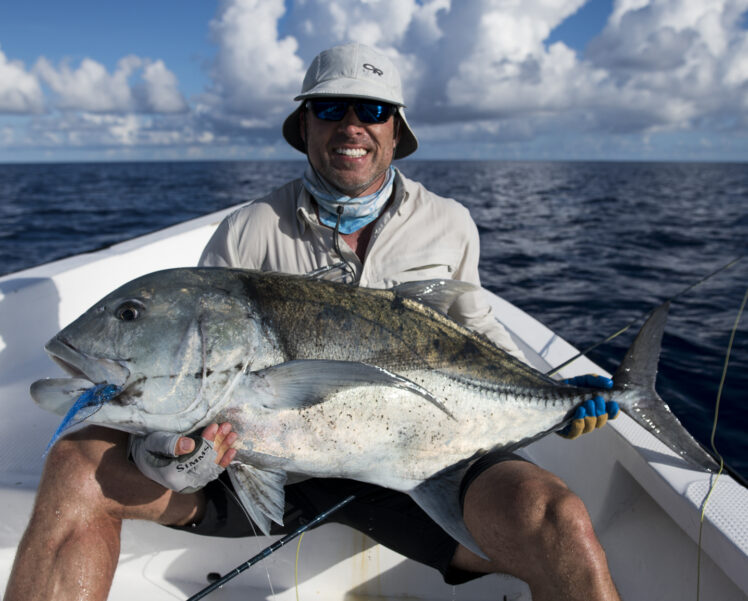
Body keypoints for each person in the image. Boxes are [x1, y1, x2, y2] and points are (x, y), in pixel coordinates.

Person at [5, 43, 620, 601]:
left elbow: (479, 336)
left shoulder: (449, 222)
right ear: (304, 126)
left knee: (558, 523)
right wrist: (180, 458)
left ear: (395, 128)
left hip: (420, 457)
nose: (351, 125)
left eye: (372, 110)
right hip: (264, 466)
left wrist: (554, 398)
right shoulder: (248, 229)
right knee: (76, 465)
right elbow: (186, 396)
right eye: (329, 109)